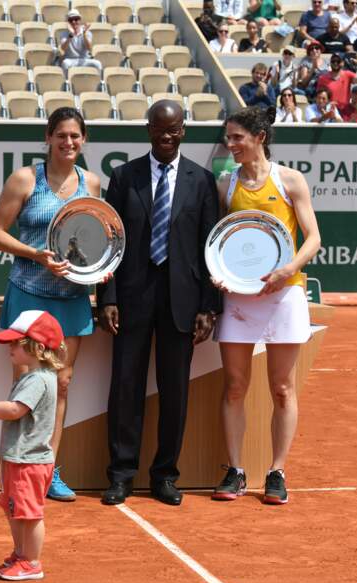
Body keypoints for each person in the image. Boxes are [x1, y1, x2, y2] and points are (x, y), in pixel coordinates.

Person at [97, 100, 220, 507]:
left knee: (175, 391)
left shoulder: (201, 180)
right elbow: (109, 243)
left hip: (182, 300)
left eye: (174, 130)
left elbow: (208, 248)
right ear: (148, 129)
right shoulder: (123, 176)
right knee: (125, 386)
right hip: (132, 296)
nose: (166, 137)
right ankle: (121, 475)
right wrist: (108, 297)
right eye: (159, 129)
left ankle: (166, 475)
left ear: (183, 130)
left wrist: (208, 305)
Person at [0, 107, 102, 503]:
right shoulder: (25, 179)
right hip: (29, 295)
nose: (69, 143)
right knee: (25, 385)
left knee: (61, 385)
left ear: (83, 140)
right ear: (49, 138)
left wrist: (97, 271)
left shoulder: (92, 183)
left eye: (75, 136)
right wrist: (35, 255)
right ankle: (16, 467)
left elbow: (94, 242)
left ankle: (49, 469)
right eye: (61, 136)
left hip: (72, 298)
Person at [211, 106, 321, 506]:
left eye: (237, 137)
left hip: (284, 293)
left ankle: (276, 471)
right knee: (236, 386)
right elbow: (218, 241)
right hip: (238, 298)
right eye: (228, 137)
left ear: (260, 136)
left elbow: (313, 238)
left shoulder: (290, 179)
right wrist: (219, 273)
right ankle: (236, 470)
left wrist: (288, 268)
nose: (231, 144)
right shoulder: (226, 184)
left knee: (281, 387)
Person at [0, 310, 65, 581]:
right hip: (20, 458)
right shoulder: (35, 377)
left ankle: (31, 562)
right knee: (16, 510)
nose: (10, 346)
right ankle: (22, 554)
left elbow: (14, 410)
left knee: (29, 514)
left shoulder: (38, 379)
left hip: (28, 461)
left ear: (38, 348)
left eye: (17, 342)